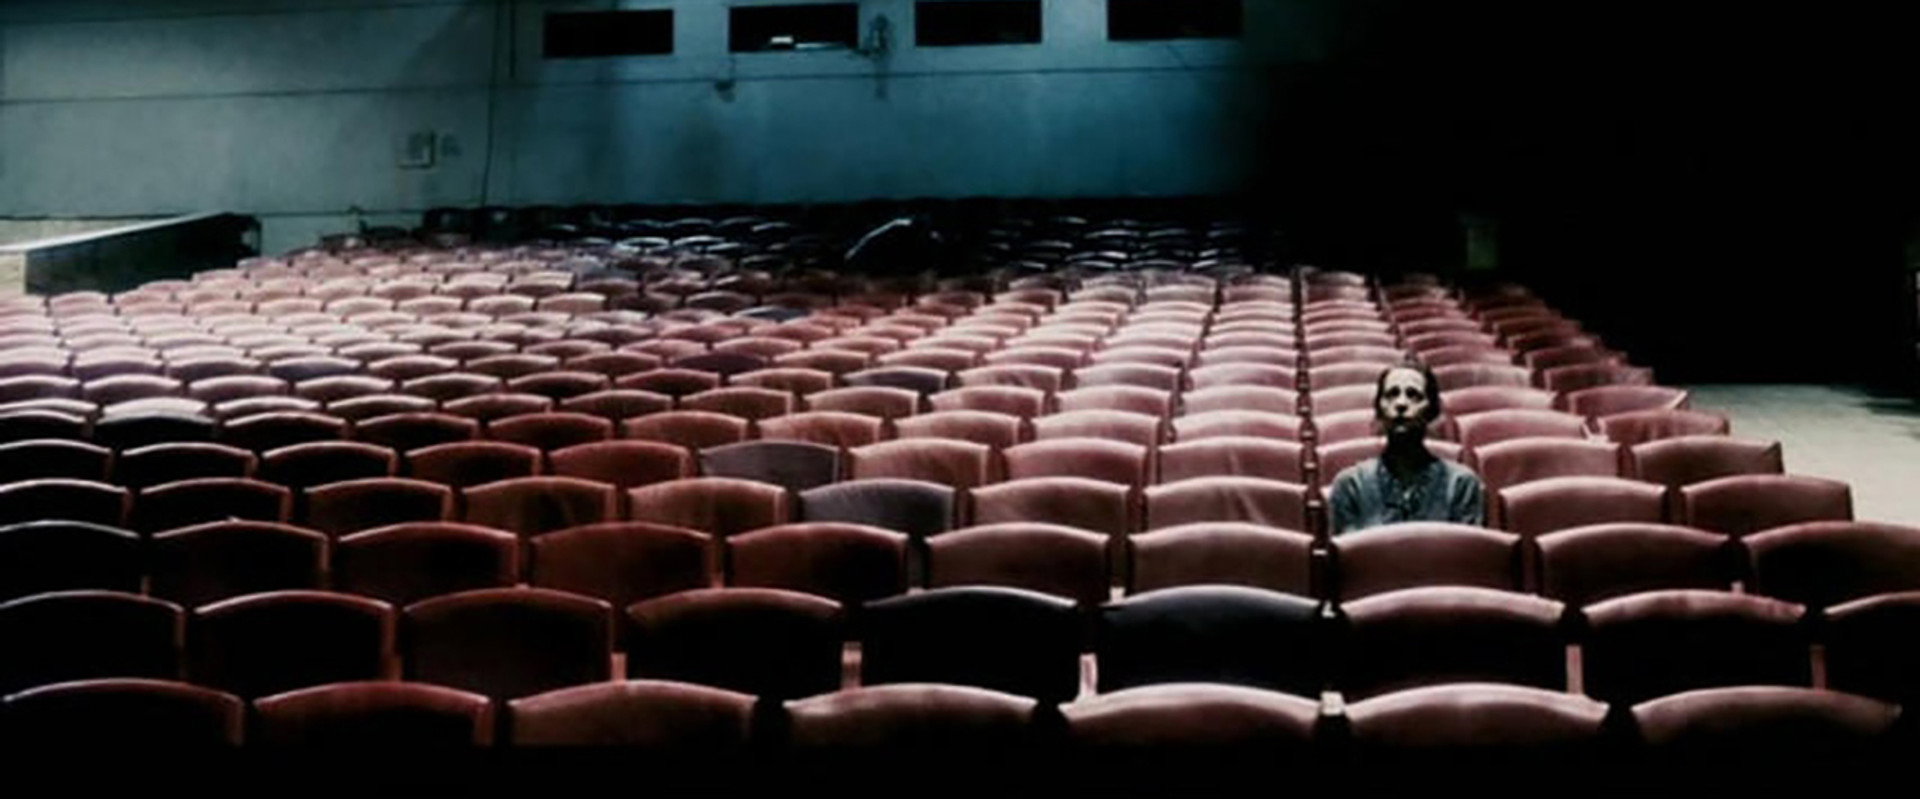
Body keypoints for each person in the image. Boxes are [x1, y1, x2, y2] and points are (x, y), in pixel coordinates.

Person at [1327, 363, 1486, 535]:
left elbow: (1467, 556)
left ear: (1431, 410)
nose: (1401, 403)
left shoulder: (1461, 485)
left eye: (1413, 395)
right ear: (1379, 408)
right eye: (1391, 394)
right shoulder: (1351, 485)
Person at [843, 214, 950, 279]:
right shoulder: (896, 229)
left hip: (909, 267)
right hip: (880, 266)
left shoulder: (931, 238)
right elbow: (870, 241)